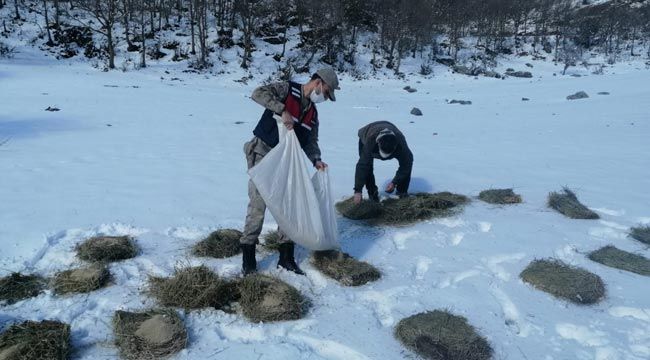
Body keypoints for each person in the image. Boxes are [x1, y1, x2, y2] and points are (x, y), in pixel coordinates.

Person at [240, 67, 340, 276]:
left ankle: (286, 257)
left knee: (289, 208)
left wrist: (316, 160)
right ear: (318, 83)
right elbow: (257, 93)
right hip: (263, 156)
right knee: (258, 206)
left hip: (287, 164)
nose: (325, 97)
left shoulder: (312, 113)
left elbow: (311, 141)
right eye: (327, 91)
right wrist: (281, 109)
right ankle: (248, 258)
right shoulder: (286, 90)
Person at [353, 121, 413, 204]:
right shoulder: (370, 142)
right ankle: (372, 195)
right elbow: (363, 166)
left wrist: (394, 182)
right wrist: (357, 191)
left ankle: (402, 193)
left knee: (407, 162)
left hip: (390, 129)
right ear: (378, 144)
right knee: (367, 167)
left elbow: (406, 164)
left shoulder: (400, 144)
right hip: (368, 132)